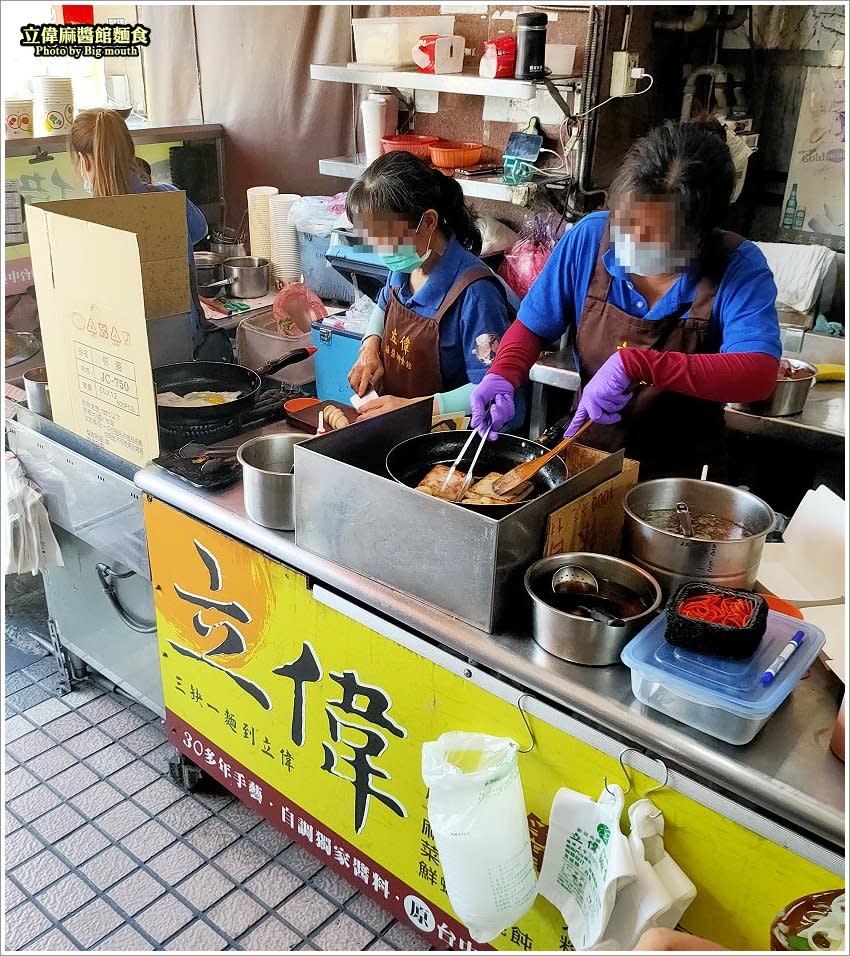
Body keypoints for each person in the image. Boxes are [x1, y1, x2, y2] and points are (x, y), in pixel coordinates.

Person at [470, 120, 782, 480]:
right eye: (626, 224)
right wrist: (504, 373)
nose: (631, 242)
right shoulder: (589, 238)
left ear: (699, 236)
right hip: (586, 459)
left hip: (679, 483)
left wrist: (638, 365)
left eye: (654, 238)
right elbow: (532, 326)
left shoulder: (737, 266)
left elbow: (758, 374)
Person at [345, 150, 522, 425]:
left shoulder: (476, 295)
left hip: (454, 442)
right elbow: (383, 304)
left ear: (427, 222)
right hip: (403, 429)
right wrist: (370, 346)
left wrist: (413, 409)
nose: (381, 251)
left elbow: (488, 388)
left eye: (386, 239)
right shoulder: (405, 266)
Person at [68, 108, 228, 361]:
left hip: (123, 349)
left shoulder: (84, 220)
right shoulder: (167, 196)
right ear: (131, 153)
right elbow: (199, 230)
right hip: (182, 339)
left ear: (84, 161)